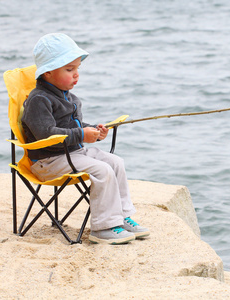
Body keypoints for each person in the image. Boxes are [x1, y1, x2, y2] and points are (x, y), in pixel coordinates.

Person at [21, 33, 149, 245]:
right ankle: (104, 227)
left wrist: (94, 131)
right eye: (69, 70)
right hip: (47, 161)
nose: (76, 75)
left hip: (71, 153)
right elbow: (46, 134)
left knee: (116, 163)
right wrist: (81, 135)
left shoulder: (69, 98)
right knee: (102, 170)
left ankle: (121, 216)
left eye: (77, 69)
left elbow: (73, 127)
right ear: (48, 72)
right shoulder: (39, 100)